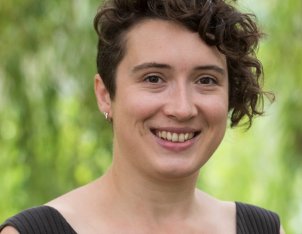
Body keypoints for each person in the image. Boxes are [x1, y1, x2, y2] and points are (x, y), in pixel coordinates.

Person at [0, 0, 285, 233]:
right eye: (153, 78)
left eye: (206, 80)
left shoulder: (264, 230)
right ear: (104, 94)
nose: (182, 108)